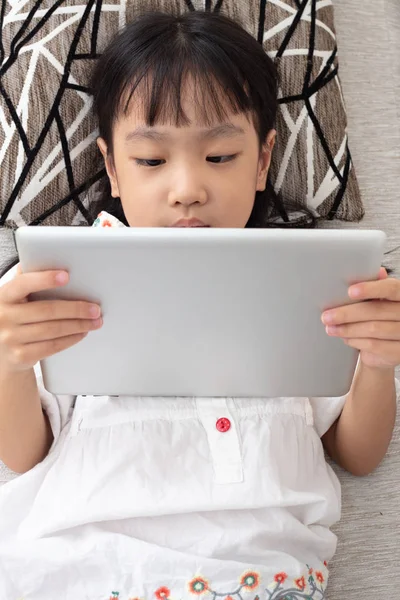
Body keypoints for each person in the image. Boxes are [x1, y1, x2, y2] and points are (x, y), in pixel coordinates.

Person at [0, 11, 398, 600]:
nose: (187, 188)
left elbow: (357, 455)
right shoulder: (63, 279)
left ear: (263, 161)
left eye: (219, 157)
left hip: (268, 579)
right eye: (152, 161)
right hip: (92, 571)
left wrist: (379, 362)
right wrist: (8, 364)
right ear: (111, 166)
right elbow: (22, 453)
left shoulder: (310, 281)